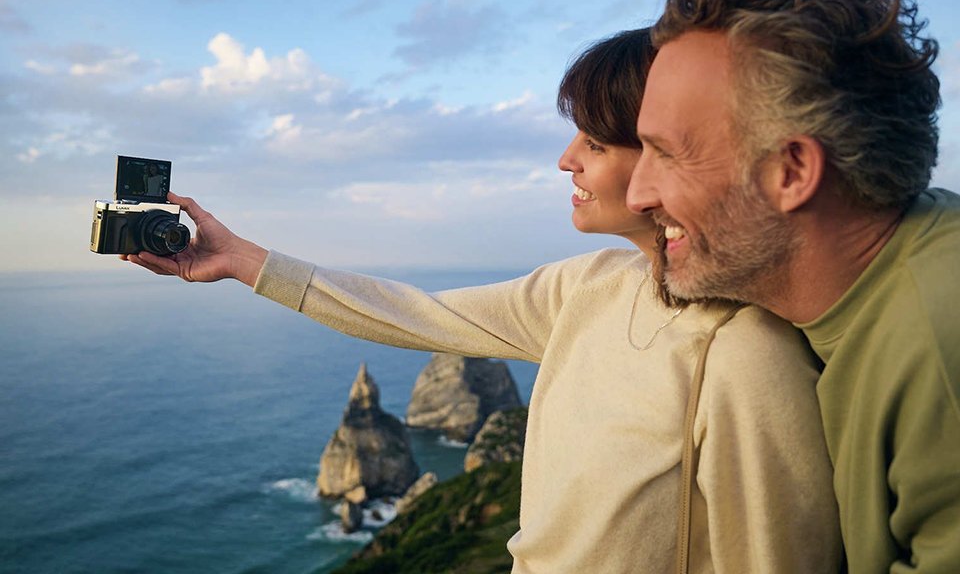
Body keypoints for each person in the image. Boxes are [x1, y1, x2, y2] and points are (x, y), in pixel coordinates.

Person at [124, 29, 841, 573]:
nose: (566, 159)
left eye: (594, 142)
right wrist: (239, 260)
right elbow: (417, 313)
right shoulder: (589, 285)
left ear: (666, 152)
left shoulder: (748, 353)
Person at [626, 0, 960, 573]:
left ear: (793, 172)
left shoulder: (940, 342)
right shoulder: (881, 292)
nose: (637, 195)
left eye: (666, 154)